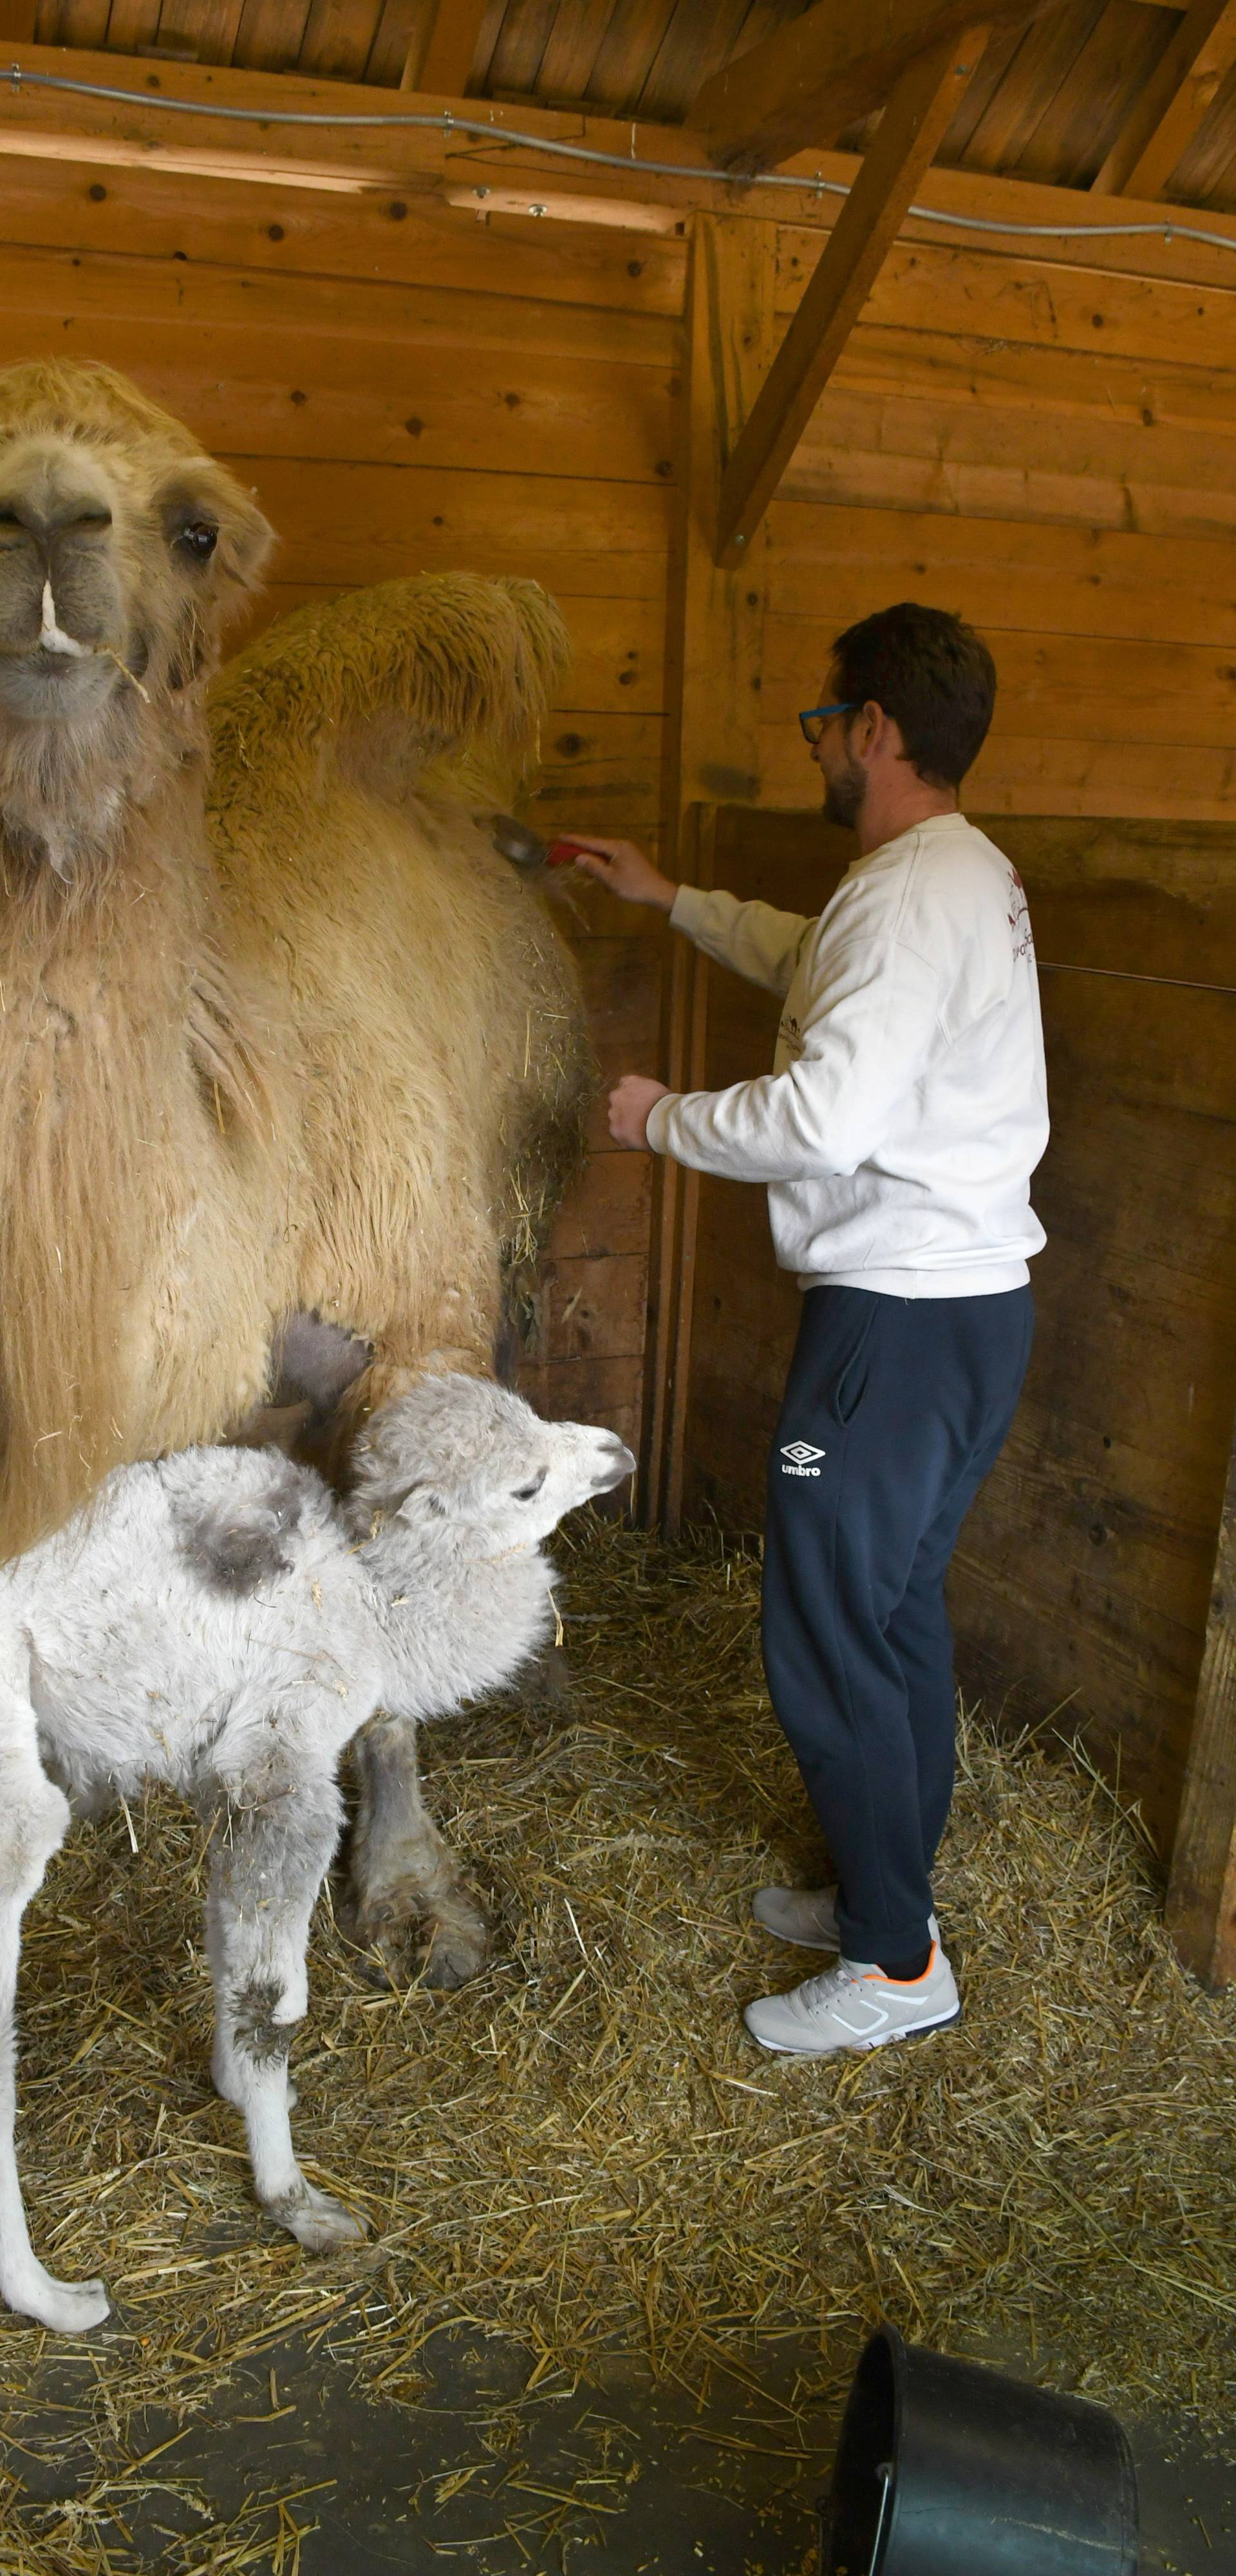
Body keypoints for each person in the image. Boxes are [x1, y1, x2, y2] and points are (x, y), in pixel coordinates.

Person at [569, 601, 1047, 2061]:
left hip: (892, 1328)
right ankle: (882, 1896)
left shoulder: (908, 895)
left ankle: (896, 1966)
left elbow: (824, 1111)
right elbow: (819, 965)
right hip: (967, 1313)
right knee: (894, 1617)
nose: (821, 744)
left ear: (876, 730)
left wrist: (662, 1123)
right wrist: (675, 900)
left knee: (830, 1637)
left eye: (824, 720)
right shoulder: (953, 875)